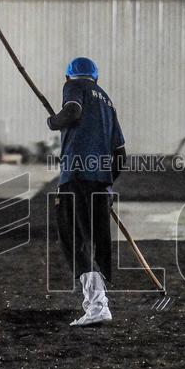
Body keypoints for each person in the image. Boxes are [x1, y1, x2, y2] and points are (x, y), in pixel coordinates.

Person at [47, 56, 126, 327]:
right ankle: (98, 301)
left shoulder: (73, 86)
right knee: (95, 241)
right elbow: (120, 154)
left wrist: (52, 121)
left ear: (67, 76)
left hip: (76, 177)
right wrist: (106, 183)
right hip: (99, 182)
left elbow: (72, 112)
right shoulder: (107, 102)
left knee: (73, 239)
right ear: (97, 77)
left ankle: (97, 305)